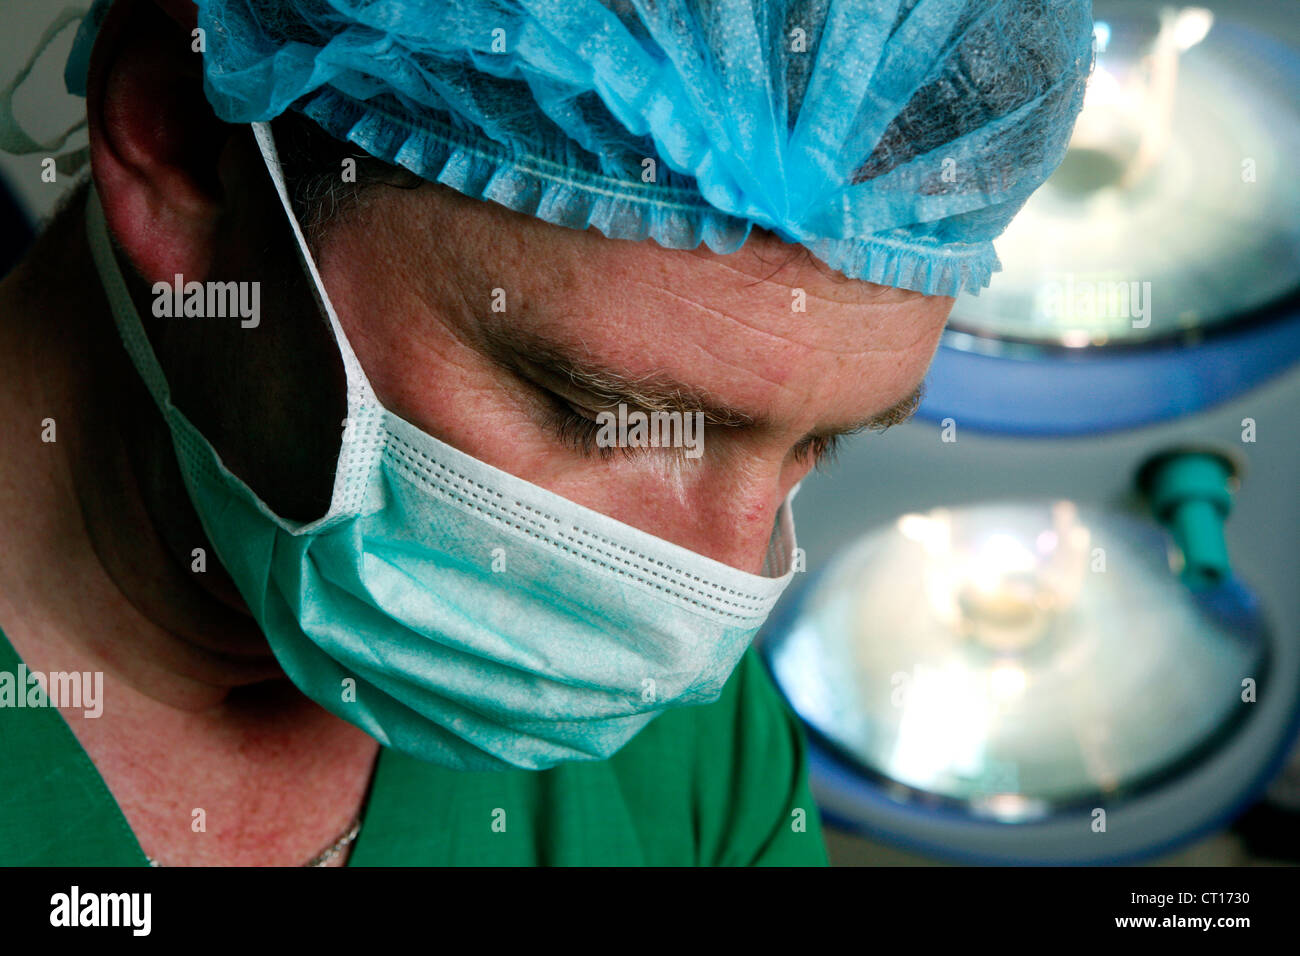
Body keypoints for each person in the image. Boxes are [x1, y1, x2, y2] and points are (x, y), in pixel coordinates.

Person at [0, 0, 1093, 865]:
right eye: (602, 416)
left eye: (820, 444)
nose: (698, 633)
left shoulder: (673, 752)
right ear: (179, 144)